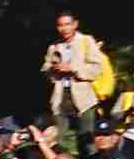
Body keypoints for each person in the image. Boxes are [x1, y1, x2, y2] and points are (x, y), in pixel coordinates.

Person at [46, 10, 111, 140]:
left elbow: (96, 68)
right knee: (60, 139)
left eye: (67, 24)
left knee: (86, 139)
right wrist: (54, 69)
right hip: (60, 97)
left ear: (75, 24)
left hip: (84, 98)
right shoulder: (54, 46)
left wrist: (73, 69)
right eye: (60, 25)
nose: (64, 29)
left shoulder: (86, 41)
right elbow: (46, 69)